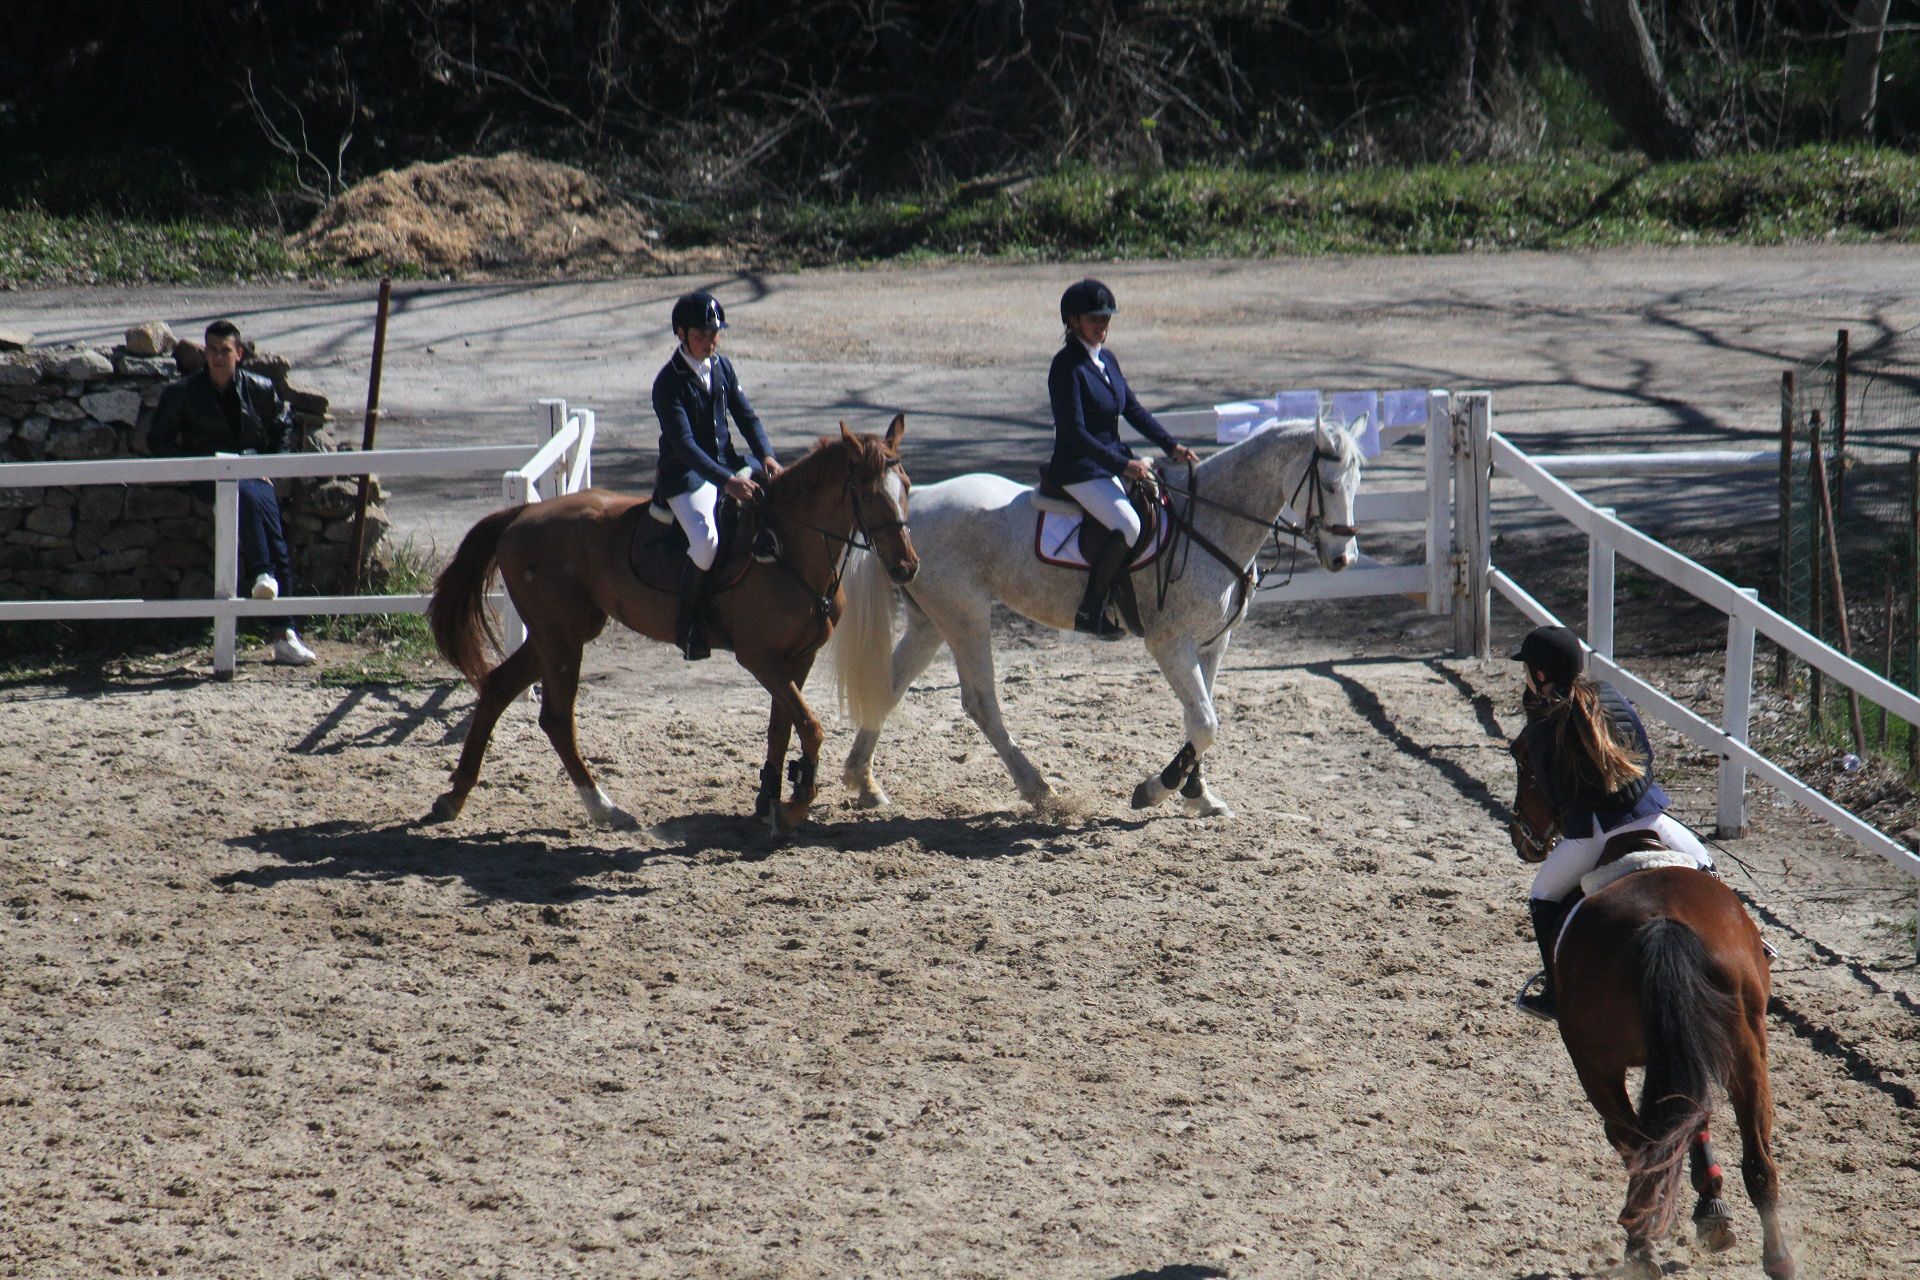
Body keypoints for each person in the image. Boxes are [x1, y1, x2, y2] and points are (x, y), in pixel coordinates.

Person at [1509, 624, 1713, 1020]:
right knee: (1704, 865)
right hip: (1650, 817)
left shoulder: (1542, 725)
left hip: (1593, 834)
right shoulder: (1609, 695)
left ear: (1540, 674)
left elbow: (1552, 795)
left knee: (1542, 897)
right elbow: (1645, 754)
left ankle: (1554, 992)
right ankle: (1754, 944)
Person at [149, 319, 316, 666]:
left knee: (278, 542)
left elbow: (281, 425)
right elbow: (159, 440)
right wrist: (199, 464)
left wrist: (270, 465)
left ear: (238, 353)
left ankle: (285, 633)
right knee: (245, 494)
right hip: (210, 475)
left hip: (254, 472)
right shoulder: (183, 393)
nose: (217, 357)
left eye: (224, 350)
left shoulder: (259, 388)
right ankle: (262, 573)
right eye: (211, 350)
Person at [1044, 278, 1198, 638]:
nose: (1102, 324)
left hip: (1111, 460)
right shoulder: (1066, 367)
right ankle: (1091, 609)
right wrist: (1123, 466)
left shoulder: (1106, 360)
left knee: (1161, 503)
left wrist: (1170, 446)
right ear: (1073, 321)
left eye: (1106, 318)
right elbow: (1074, 433)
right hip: (1079, 468)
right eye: (1094, 318)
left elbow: (1132, 409)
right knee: (1128, 525)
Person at [651, 290, 782, 660]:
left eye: (714, 334)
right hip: (687, 476)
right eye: (701, 335)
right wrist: (728, 481)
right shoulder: (668, 383)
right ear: (681, 334)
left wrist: (766, 455)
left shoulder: (722, 367)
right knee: (706, 544)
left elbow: (746, 416)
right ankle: (689, 625)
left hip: (727, 462)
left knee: (779, 499)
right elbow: (685, 446)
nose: (710, 342)